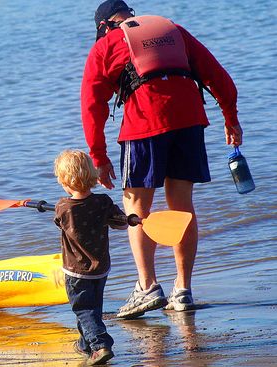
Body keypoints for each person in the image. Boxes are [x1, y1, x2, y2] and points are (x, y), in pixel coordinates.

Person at [81, 0, 243, 319]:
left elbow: (92, 104)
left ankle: (147, 287)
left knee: (137, 208)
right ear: (131, 15)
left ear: (103, 26)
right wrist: (231, 117)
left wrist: (98, 155)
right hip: (190, 121)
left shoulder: (106, 44)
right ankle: (182, 290)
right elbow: (217, 76)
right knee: (182, 207)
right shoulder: (173, 30)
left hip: (145, 124)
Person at [53, 149, 127, 365]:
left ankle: (100, 345)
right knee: (92, 308)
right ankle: (85, 344)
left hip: (77, 271)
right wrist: (129, 219)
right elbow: (119, 223)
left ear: (65, 181)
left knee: (83, 309)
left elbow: (59, 222)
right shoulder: (103, 202)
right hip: (101, 268)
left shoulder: (63, 207)